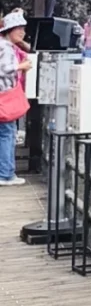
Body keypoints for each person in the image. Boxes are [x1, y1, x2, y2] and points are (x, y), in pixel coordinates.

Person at [0, 10, 33, 186]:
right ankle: (6, 174)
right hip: (5, 96)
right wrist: (23, 66)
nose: (22, 32)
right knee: (7, 134)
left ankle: (6, 172)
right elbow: (4, 69)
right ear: (10, 29)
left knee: (5, 134)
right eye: (19, 28)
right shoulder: (5, 47)